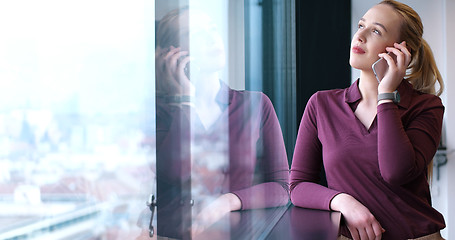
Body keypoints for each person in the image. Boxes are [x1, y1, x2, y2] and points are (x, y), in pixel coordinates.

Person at [290, 1, 445, 240]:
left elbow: (396, 172)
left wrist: (386, 97)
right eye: (361, 25)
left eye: (375, 31)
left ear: (402, 50)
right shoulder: (321, 104)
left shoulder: (426, 106)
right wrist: (342, 202)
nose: (359, 35)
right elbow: (298, 186)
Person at [153, 7, 289, 239]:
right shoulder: (157, 113)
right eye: (195, 33)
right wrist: (186, 102)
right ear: (171, 53)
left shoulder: (255, 104)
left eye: (212, 29)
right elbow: (176, 173)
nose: (211, 38)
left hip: (237, 234)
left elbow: (282, 188)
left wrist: (227, 201)